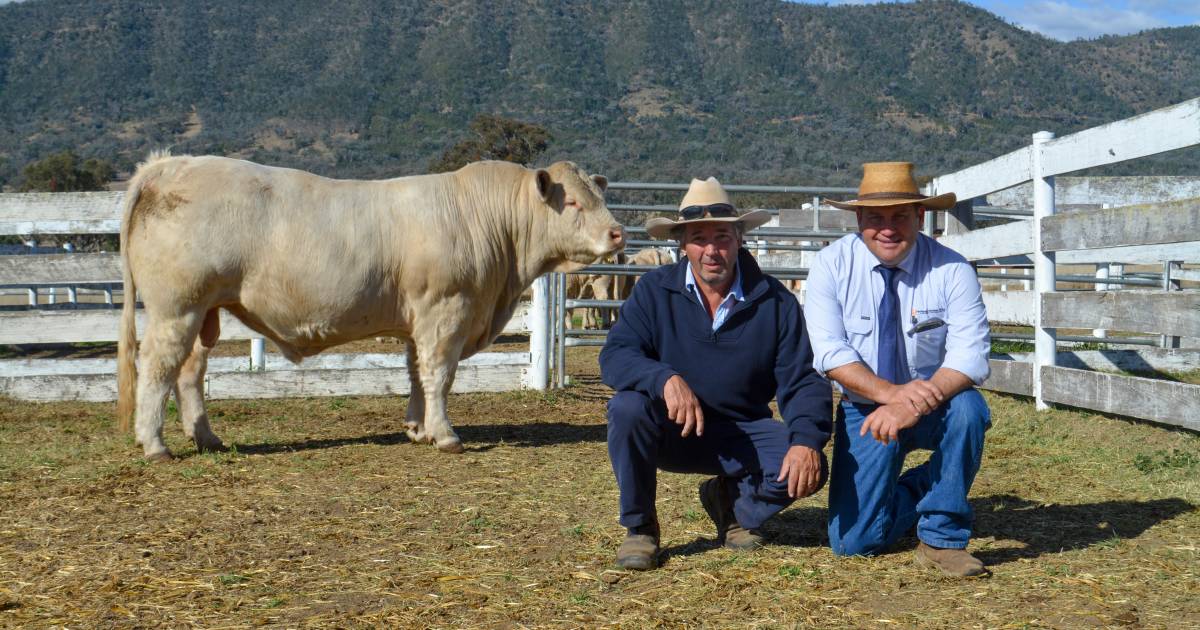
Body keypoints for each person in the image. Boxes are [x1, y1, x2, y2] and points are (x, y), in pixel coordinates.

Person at [600, 177, 832, 570]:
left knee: (807, 468)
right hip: (672, 428)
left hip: (743, 430)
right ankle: (640, 528)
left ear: (739, 239)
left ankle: (735, 507)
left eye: (722, 236)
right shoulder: (654, 291)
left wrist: (807, 439)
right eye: (698, 238)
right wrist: (664, 379)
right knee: (627, 408)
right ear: (682, 244)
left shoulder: (775, 301)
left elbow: (803, 377)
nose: (711, 250)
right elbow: (616, 355)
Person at [804, 162, 992, 577]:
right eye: (875, 218)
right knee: (854, 543)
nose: (887, 228)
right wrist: (891, 396)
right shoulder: (830, 266)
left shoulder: (953, 269)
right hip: (864, 409)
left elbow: (970, 355)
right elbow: (829, 352)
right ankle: (927, 486)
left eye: (900, 217)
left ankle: (942, 534)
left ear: (920, 217)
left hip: (933, 402)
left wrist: (911, 404)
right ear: (859, 219)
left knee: (969, 410)